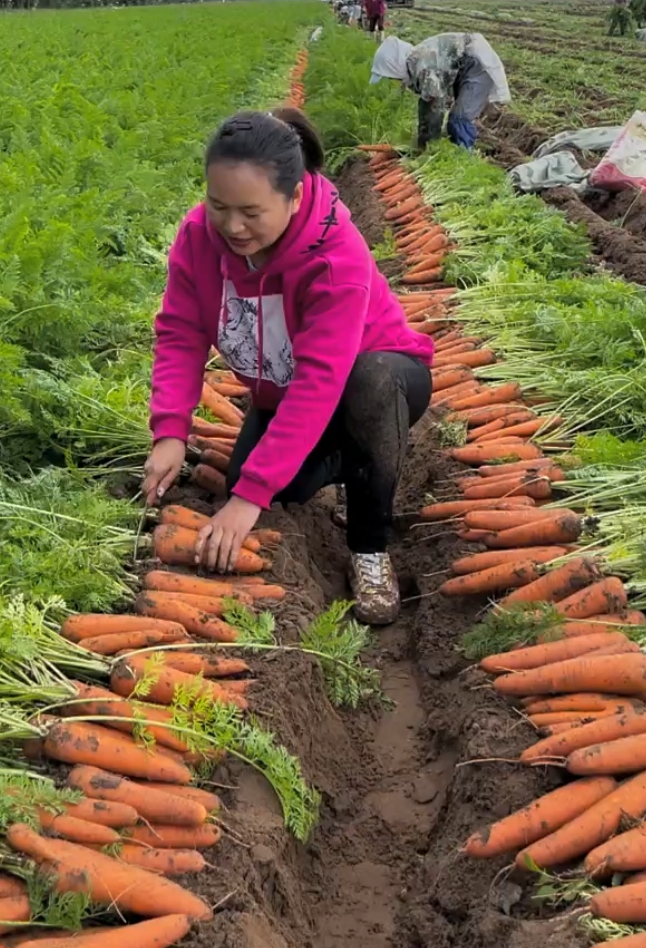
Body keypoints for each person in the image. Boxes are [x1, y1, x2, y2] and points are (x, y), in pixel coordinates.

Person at [143, 107, 433, 626]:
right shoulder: (196, 239)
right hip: (284, 391)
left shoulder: (334, 253)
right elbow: (180, 333)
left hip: (386, 378)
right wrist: (170, 430)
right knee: (281, 488)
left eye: (251, 213)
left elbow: (321, 380)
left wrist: (250, 496)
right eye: (218, 206)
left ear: (295, 196)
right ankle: (355, 461)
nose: (232, 226)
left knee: (364, 386)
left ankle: (369, 546)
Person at [370, 32, 511, 151]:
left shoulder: (425, 68)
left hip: (477, 65)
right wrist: (423, 139)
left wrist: (428, 143)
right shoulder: (416, 63)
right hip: (464, 65)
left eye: (391, 76)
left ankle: (464, 160)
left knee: (459, 119)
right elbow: (426, 103)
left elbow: (435, 107)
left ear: (394, 66)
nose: (394, 80)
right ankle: (456, 154)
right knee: (453, 119)